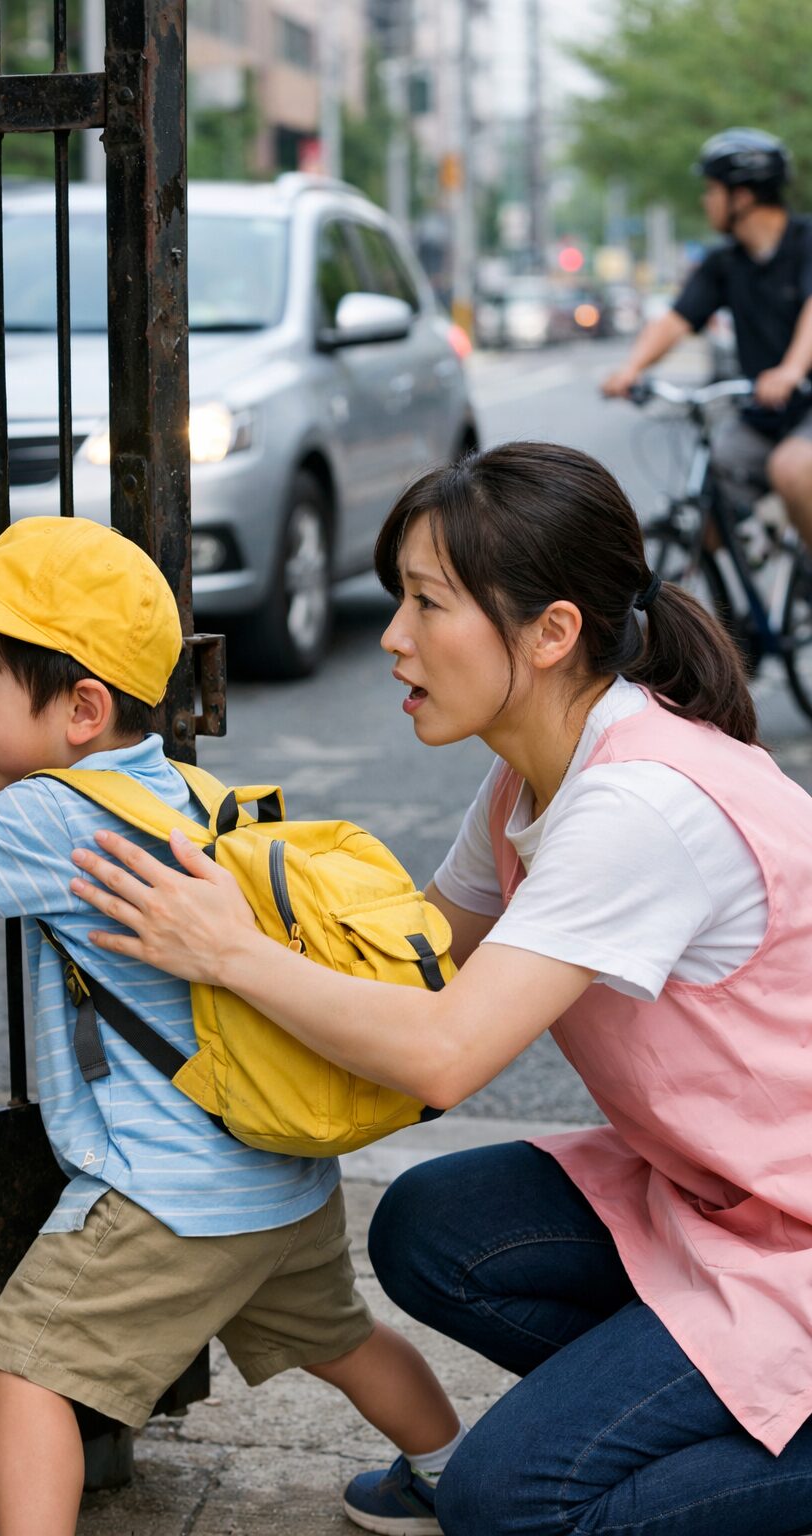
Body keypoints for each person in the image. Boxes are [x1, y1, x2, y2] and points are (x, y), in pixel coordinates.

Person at [67, 444, 812, 1536]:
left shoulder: (638, 808)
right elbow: (411, 964)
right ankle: (709, 1407)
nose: (392, 638)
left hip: (787, 1237)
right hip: (718, 1200)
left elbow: (442, 1051)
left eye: (428, 603)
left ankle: (751, 1420)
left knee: (508, 1503)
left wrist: (229, 952)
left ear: (552, 633)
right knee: (429, 1227)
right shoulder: (531, 770)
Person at [0, 515, 468, 1536]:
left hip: (168, 1190)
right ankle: (448, 1475)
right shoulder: (176, 788)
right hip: (277, 1174)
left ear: (82, 709)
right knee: (344, 1339)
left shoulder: (58, 811)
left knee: (27, 1369)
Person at [603, 127, 812, 552]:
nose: (706, 199)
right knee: (705, 503)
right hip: (765, 414)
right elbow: (675, 321)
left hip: (807, 404)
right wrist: (631, 369)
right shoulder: (724, 262)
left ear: (744, 196)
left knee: (791, 468)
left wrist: (791, 369)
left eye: (712, 189)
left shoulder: (807, 242)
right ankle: (732, 609)